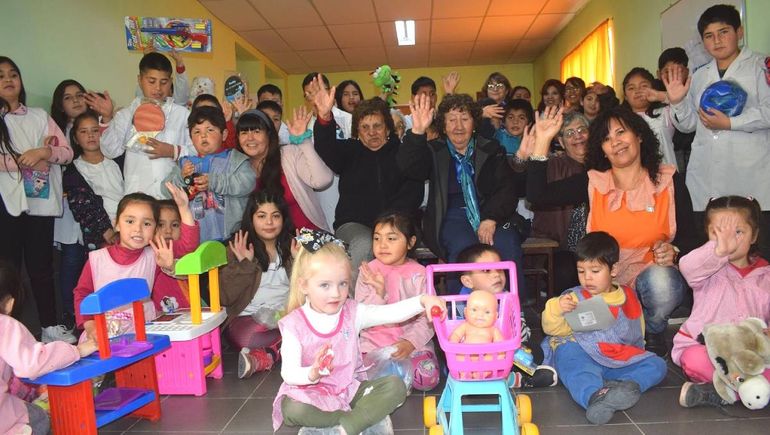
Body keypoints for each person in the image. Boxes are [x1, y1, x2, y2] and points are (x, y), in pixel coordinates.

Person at [526, 105, 698, 357]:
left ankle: (652, 331)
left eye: (621, 133)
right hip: (607, 280)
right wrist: (542, 141)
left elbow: (691, 237)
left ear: (639, 135)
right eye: (606, 139)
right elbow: (537, 196)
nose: (615, 143)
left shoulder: (669, 181)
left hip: (650, 275)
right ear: (602, 150)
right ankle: (619, 331)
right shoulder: (594, 181)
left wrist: (674, 250)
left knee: (663, 283)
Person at [270, 228, 445, 434]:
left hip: (350, 389)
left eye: (343, 284)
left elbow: (390, 313)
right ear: (304, 286)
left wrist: (422, 300)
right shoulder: (293, 324)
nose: (336, 293)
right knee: (290, 409)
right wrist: (313, 372)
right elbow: (288, 374)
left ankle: (343, 426)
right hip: (311, 393)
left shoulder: (353, 312)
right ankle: (354, 420)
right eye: (325, 285)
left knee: (395, 387)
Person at [662, 4, 770, 260]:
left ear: (739, 32)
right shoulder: (700, 76)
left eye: (724, 32)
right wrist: (677, 101)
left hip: (750, 173)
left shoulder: (761, 66)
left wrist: (731, 123)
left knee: (757, 250)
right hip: (707, 176)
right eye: (709, 36)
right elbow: (688, 125)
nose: (717, 41)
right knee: (709, 251)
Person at [397, 93, 526, 296]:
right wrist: (418, 131)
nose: (458, 126)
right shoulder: (434, 150)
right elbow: (409, 168)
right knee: (462, 248)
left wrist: (491, 218)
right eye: (451, 120)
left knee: (506, 243)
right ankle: (461, 313)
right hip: (450, 214)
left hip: (490, 212)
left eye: (464, 119)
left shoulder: (491, 149)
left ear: (474, 122)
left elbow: (506, 188)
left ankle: (513, 310)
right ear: (443, 125)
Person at [541, 232, 667, 425]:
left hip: (617, 359)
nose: (587, 278)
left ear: (614, 269)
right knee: (572, 359)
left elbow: (637, 332)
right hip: (583, 353)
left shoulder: (629, 296)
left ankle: (622, 386)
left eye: (595, 271)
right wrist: (556, 309)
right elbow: (554, 330)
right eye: (581, 271)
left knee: (657, 364)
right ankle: (594, 397)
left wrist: (637, 354)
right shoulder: (573, 297)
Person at [309, 76, 424, 284]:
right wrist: (324, 116)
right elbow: (326, 147)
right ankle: (354, 305)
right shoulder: (349, 152)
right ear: (357, 131)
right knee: (365, 244)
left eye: (377, 126)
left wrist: (389, 223)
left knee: (391, 243)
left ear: (388, 128)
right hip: (354, 225)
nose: (372, 133)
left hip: (395, 224)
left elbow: (415, 189)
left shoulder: (403, 153)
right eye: (365, 127)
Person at [0, 58, 73, 343]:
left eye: (13, 74)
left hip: (39, 205)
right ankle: (8, 332)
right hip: (6, 205)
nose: (8, 79)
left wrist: (44, 154)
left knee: (42, 268)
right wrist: (22, 162)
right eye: (2, 75)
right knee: (8, 270)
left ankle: (50, 327)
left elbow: (66, 153)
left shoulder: (39, 116)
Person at [674, 196, 770, 407]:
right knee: (694, 359)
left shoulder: (765, 274)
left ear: (753, 235)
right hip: (709, 350)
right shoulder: (705, 269)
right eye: (717, 234)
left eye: (738, 232)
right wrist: (717, 251)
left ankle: (723, 392)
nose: (729, 241)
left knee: (761, 365)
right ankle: (753, 390)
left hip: (751, 354)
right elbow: (687, 266)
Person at [73, 183, 199, 342]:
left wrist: (183, 209)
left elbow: (188, 246)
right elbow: (82, 294)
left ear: (154, 229)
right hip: (104, 335)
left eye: (146, 223)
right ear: (116, 224)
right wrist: (89, 325)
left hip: (144, 333)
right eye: (130, 221)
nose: (138, 229)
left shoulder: (154, 255)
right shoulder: (97, 259)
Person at [0, 260, 98, 435]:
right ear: (9, 303)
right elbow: (32, 364)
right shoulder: (5, 325)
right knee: (39, 417)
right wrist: (77, 350)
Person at [355, 212, 439, 392]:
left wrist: (410, 343)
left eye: (391, 238)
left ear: (411, 242)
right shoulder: (368, 271)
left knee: (427, 379)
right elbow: (360, 315)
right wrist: (379, 293)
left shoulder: (420, 273)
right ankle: (391, 381)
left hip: (413, 346)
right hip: (373, 346)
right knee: (358, 378)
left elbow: (428, 319)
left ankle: (396, 379)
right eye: (377, 238)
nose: (382, 245)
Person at [220, 192, 295, 379]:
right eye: (262, 216)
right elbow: (225, 297)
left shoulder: (292, 246)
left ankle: (266, 355)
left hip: (287, 316)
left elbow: (308, 290)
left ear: (283, 219)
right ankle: (289, 346)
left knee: (304, 325)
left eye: (275, 216)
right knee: (251, 339)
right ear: (251, 219)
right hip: (248, 320)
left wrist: (298, 260)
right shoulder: (236, 247)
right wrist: (243, 264)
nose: (269, 222)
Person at [100, 52, 194, 199]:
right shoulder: (125, 115)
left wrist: (173, 151)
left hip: (172, 196)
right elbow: (110, 151)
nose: (158, 88)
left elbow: (197, 151)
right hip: (137, 195)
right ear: (140, 79)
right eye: (151, 81)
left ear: (170, 82)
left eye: (163, 82)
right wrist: (107, 118)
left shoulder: (182, 115)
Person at [163, 106, 255, 241]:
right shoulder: (185, 163)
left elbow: (248, 183)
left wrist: (215, 182)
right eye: (196, 132)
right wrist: (181, 177)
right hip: (194, 238)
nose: (203, 136)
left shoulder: (236, 159)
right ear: (191, 138)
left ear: (224, 134)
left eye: (210, 130)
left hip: (232, 236)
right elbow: (165, 190)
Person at [236, 106, 333, 232]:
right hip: (266, 245)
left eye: (256, 131)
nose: (250, 138)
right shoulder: (236, 168)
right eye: (244, 133)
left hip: (308, 239)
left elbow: (323, 180)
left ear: (269, 134)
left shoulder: (288, 154)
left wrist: (304, 141)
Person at [522, 111, 590, 291]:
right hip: (560, 247)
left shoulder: (603, 166)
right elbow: (526, 186)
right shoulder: (552, 165)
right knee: (565, 271)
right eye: (569, 133)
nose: (577, 136)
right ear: (561, 142)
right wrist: (524, 157)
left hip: (597, 246)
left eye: (582, 130)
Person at [621, 67, 678, 166]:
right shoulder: (620, 122)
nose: (638, 91)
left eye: (643, 86)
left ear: (653, 89)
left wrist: (661, 96)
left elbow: (681, 106)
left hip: (667, 176)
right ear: (625, 96)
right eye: (631, 88)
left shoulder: (665, 113)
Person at [149, 199, 192, 313]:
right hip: (156, 319)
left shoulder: (179, 249)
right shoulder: (147, 254)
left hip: (189, 314)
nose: (168, 230)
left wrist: (184, 209)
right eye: (161, 225)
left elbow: (190, 242)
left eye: (175, 225)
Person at [657, 47, 693, 173]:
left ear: (687, 72)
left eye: (678, 71)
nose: (672, 76)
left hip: (692, 150)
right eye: (667, 71)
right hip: (667, 156)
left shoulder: (693, 91)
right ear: (658, 74)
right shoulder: (653, 96)